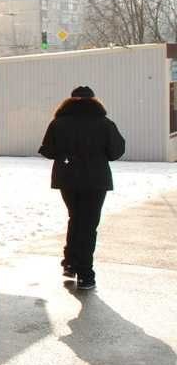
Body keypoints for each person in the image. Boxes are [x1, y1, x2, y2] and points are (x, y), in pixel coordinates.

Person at [38, 85, 125, 290]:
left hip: (67, 178)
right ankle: (86, 273)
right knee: (88, 224)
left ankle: (70, 263)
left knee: (76, 218)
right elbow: (116, 151)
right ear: (94, 101)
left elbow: (47, 150)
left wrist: (66, 152)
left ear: (70, 101)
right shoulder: (105, 123)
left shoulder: (58, 123)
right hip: (96, 180)